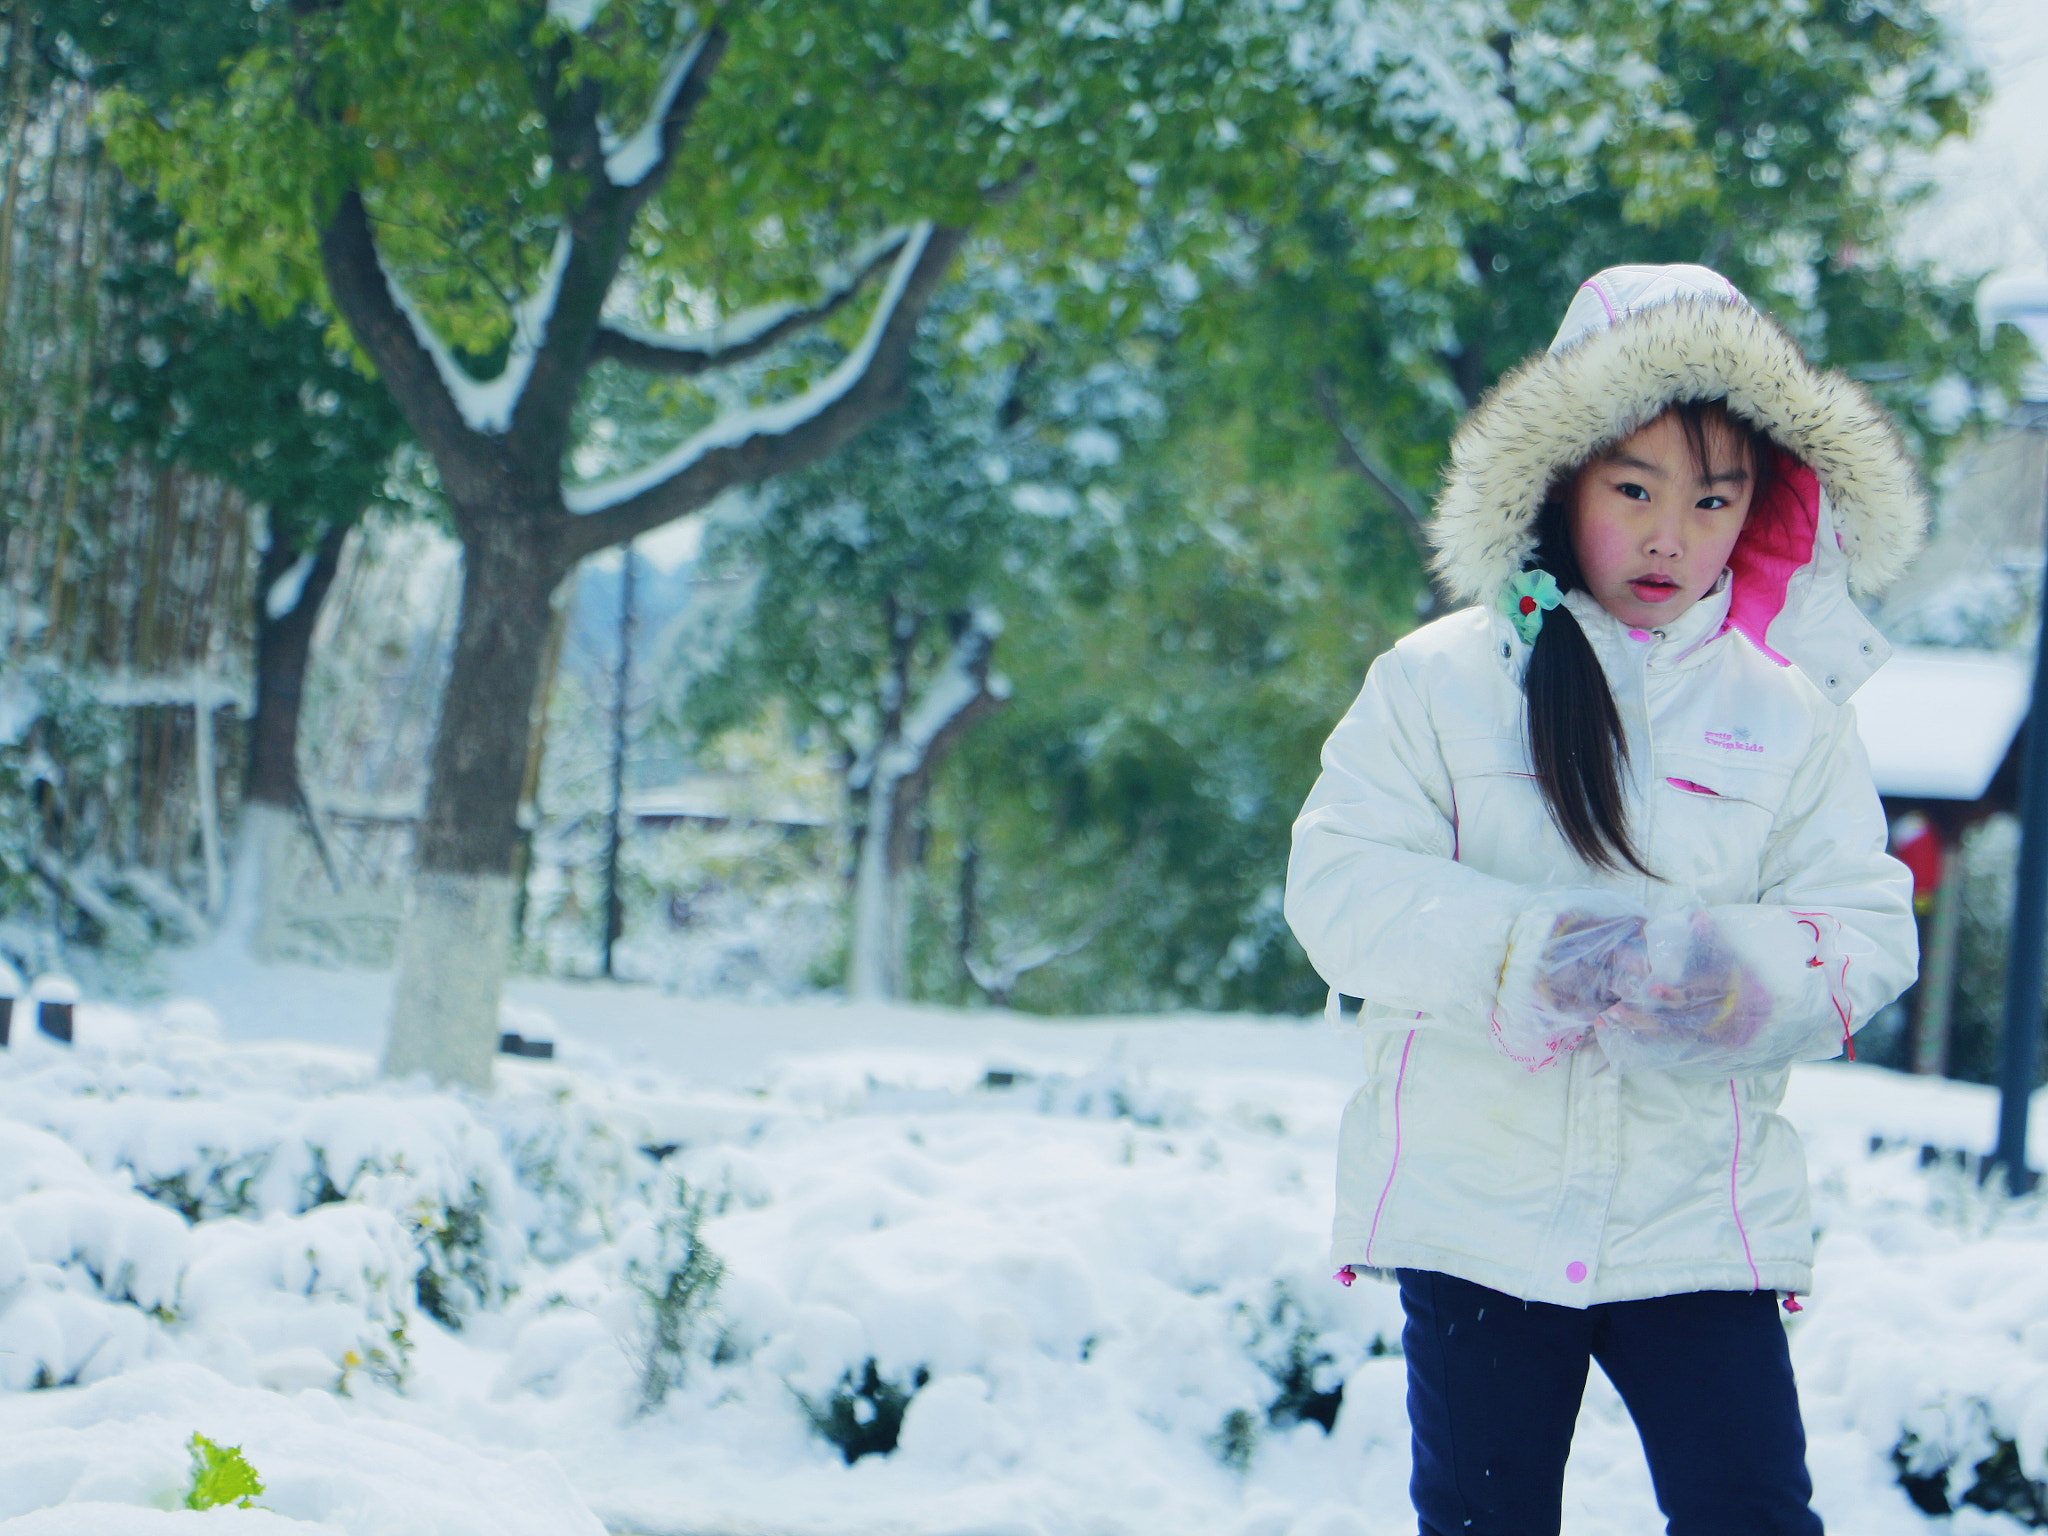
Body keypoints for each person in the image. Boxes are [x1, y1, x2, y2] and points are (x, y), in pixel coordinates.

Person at [1284, 264, 1921, 1536]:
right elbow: (1340, 884)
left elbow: (1863, 928)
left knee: (1751, 1514)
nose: (1666, 535)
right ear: (1560, 479)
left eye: (1710, 500)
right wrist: (1523, 954)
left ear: (1760, 512)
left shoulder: (1788, 716)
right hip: (1478, 1218)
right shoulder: (1437, 682)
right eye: (1631, 488)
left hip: (1698, 1224)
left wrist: (1738, 979)